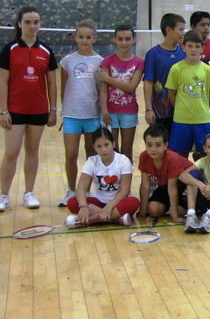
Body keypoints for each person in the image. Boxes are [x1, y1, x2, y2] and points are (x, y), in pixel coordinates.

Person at [0, 6, 58, 211]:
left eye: (36, 22)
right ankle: (3, 195)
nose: (32, 26)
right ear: (19, 24)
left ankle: (29, 193)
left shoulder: (46, 51)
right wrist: (3, 110)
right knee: (11, 153)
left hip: (39, 110)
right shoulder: (10, 50)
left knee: (32, 151)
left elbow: (52, 83)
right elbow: (3, 81)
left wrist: (53, 109)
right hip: (14, 110)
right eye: (28, 22)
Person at [59, 19, 103, 208]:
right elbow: (63, 88)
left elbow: (101, 89)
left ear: (94, 38)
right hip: (71, 116)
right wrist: (67, 108)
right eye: (81, 37)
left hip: (92, 115)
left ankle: (89, 191)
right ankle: (71, 190)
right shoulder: (67, 61)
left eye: (88, 37)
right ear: (75, 37)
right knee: (70, 154)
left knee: (91, 154)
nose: (84, 40)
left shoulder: (100, 61)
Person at [63, 127, 139, 228]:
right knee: (72, 203)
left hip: (117, 204)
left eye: (106, 145)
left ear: (113, 143)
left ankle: (88, 220)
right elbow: (81, 188)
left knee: (134, 202)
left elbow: (125, 191)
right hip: (98, 203)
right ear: (94, 147)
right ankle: (116, 219)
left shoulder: (123, 161)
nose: (103, 149)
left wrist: (109, 207)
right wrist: (84, 206)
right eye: (99, 146)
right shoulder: (92, 161)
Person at [165, 30, 210, 157]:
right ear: (183, 47)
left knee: (206, 153)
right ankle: (181, 177)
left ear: (202, 48)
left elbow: (209, 94)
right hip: (182, 119)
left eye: (197, 46)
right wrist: (181, 108)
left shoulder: (207, 70)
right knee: (180, 154)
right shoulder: (176, 68)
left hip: (203, 118)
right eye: (190, 46)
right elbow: (171, 94)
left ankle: (204, 177)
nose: (193, 50)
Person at [99, 24, 144, 163]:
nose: (124, 42)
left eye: (127, 39)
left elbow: (131, 88)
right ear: (115, 40)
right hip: (110, 111)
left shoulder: (139, 62)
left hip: (129, 111)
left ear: (133, 40)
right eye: (120, 39)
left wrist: (109, 78)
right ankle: (112, 182)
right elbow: (103, 89)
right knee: (112, 149)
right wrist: (104, 111)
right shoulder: (107, 61)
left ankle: (126, 182)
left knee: (126, 149)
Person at [137, 124, 196, 222]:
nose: (153, 149)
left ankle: (186, 208)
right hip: (165, 187)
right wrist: (142, 211)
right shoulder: (144, 157)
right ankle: (170, 207)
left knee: (180, 211)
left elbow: (172, 188)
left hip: (185, 187)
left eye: (158, 145)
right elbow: (145, 185)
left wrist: (175, 216)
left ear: (166, 145)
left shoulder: (171, 158)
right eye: (149, 145)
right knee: (152, 209)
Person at [143, 12, 186, 135]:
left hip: (180, 110)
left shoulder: (184, 52)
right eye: (180, 29)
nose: (183, 33)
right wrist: (148, 109)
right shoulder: (153, 54)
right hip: (160, 111)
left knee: (179, 147)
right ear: (168, 30)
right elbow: (148, 81)